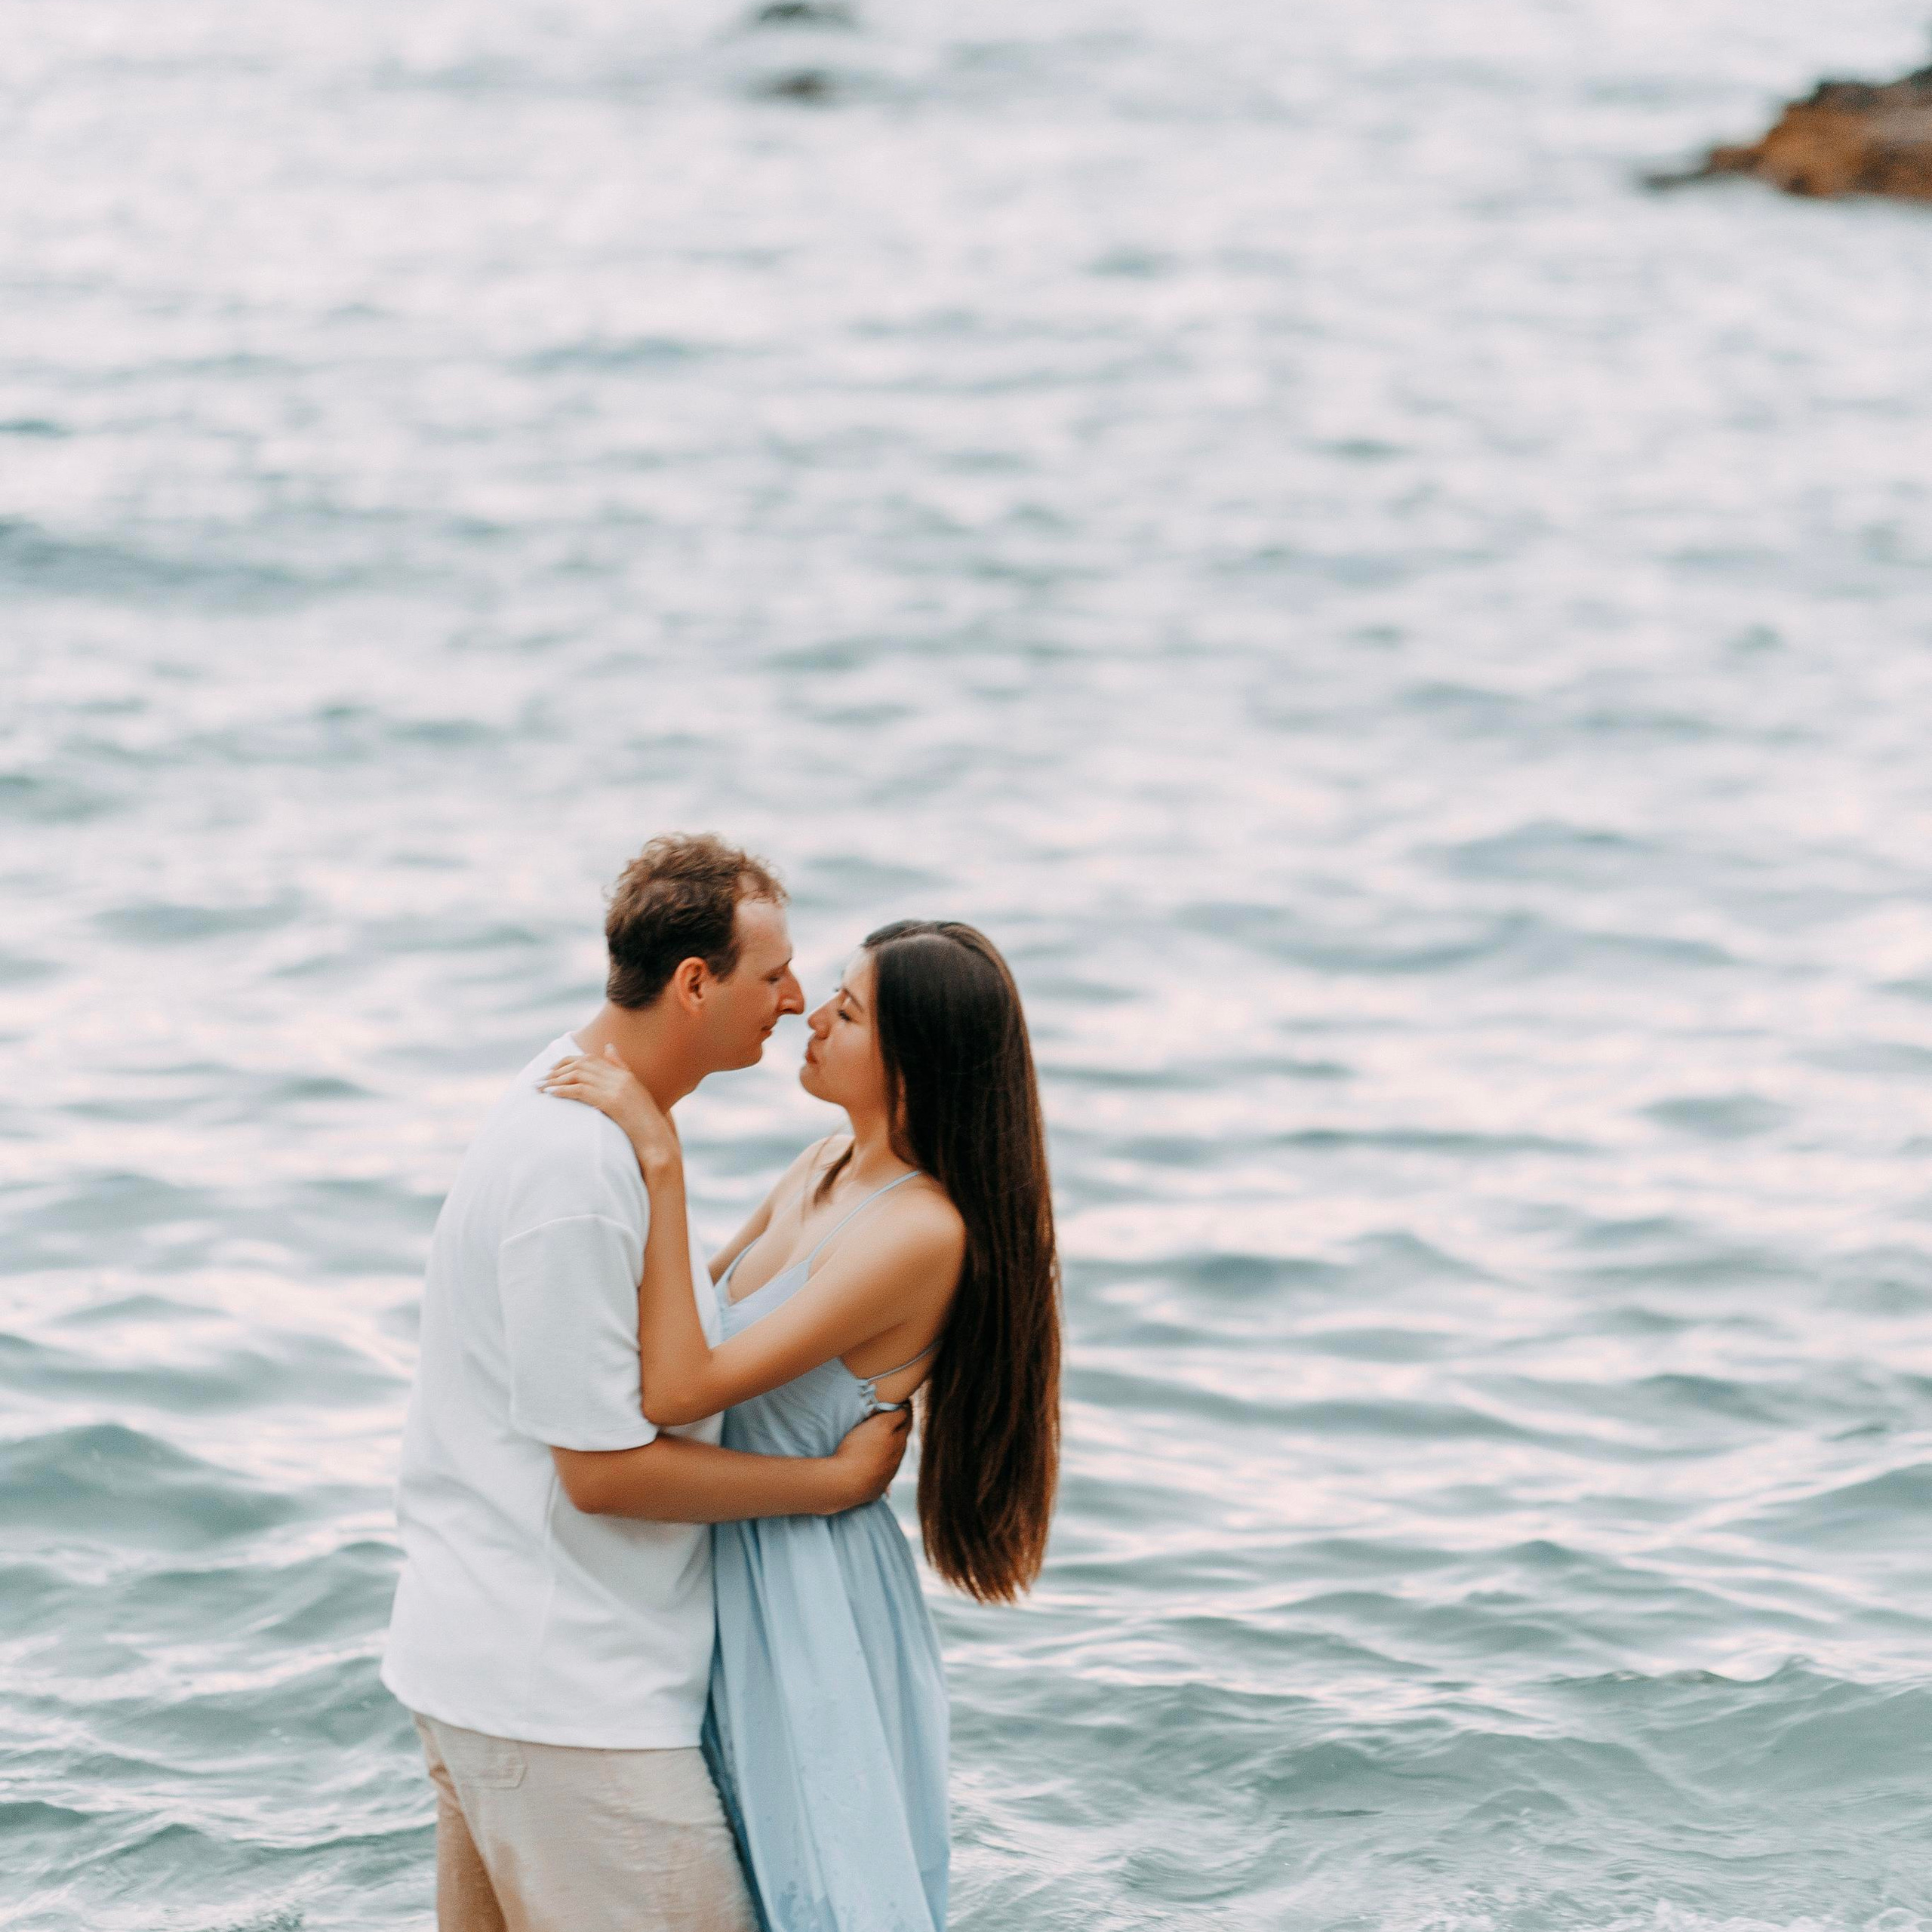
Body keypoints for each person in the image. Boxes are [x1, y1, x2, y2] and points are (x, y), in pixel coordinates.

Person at [380, 835, 913, 1932]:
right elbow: (603, 1474)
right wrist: (834, 1485)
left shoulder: (579, 1100)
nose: (795, 999)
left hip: (498, 1671)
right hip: (569, 1704)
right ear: (694, 984)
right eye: (774, 975)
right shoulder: (584, 1162)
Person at [540, 915, 1063, 1932]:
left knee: (822, 1889)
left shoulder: (921, 1229)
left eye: (850, 1010)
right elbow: (682, 1332)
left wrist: (656, 1147)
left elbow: (683, 1388)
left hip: (811, 1595)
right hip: (737, 1560)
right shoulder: (826, 1162)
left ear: (912, 1064)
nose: (811, 1017)